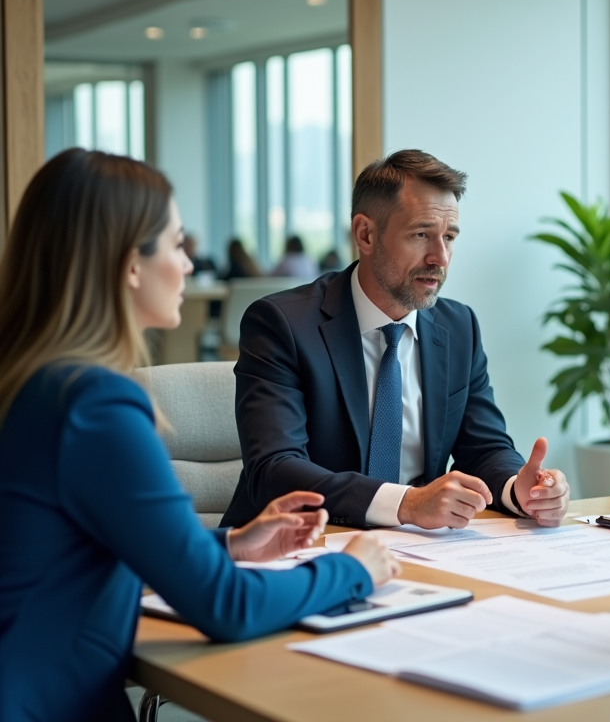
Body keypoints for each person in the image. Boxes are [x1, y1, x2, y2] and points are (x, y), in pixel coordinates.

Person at [0, 149, 400, 722]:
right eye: (175, 245)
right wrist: (354, 569)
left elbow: (75, 548)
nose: (188, 265)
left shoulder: (30, 382)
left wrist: (229, 545)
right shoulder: (97, 404)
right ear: (128, 265)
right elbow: (225, 606)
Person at [221, 149, 570, 531]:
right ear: (365, 234)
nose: (440, 257)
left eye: (449, 237)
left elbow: (484, 448)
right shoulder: (282, 324)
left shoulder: (458, 327)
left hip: (418, 552)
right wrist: (406, 503)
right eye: (421, 234)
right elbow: (275, 471)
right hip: (294, 547)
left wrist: (517, 489)